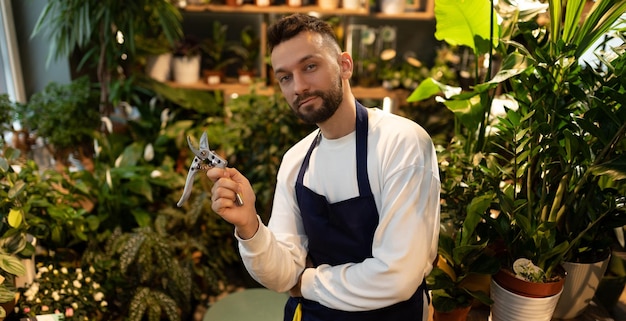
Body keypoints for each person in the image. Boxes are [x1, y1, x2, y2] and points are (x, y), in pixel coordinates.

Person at [206, 13, 440, 321]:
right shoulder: (296, 161)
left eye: (310, 66)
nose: (298, 86)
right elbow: (282, 274)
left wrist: (307, 282)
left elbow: (397, 276)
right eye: (285, 77)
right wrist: (249, 226)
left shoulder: (401, 143)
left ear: (345, 65)